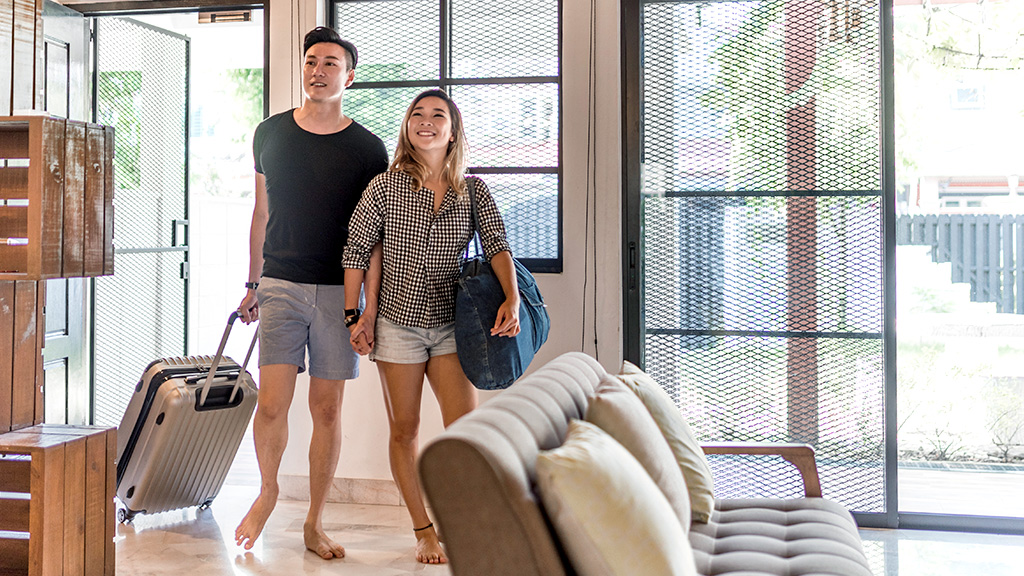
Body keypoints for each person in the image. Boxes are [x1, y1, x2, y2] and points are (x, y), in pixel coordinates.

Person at [341, 89, 521, 564]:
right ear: (407, 127)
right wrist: (353, 315)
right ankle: (424, 530)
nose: (426, 122)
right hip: (397, 326)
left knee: (464, 430)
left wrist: (513, 298)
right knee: (405, 429)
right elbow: (355, 252)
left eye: (437, 115)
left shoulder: (473, 189)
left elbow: (498, 245)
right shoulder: (384, 186)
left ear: (453, 129)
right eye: (417, 115)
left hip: (450, 325)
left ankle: (463, 518)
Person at [233, 26, 388, 559]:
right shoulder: (269, 133)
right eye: (311, 60)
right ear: (302, 68)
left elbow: (375, 238)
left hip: (336, 292)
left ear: (349, 75)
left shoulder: (368, 148)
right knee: (272, 403)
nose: (318, 70)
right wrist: (252, 284)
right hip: (279, 284)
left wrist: (364, 306)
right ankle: (269, 490)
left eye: (330, 63)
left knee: (327, 410)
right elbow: (261, 212)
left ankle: (314, 523)